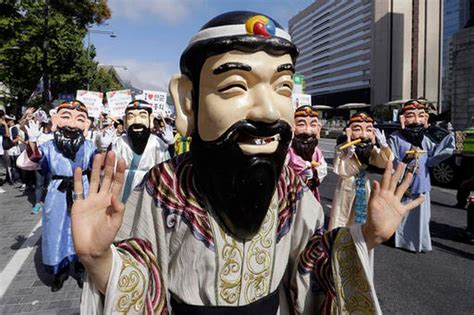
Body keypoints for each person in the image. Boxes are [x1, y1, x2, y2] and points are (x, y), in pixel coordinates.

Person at [73, 11, 423, 314]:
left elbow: (313, 264)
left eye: (282, 87)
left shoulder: (289, 188)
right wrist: (96, 257)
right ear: (187, 102)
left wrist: (367, 235)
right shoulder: (165, 187)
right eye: (235, 87)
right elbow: (137, 277)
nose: (269, 111)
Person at [22, 100, 96, 291]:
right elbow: (33, 161)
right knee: (56, 231)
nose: (71, 124)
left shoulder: (89, 146)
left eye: (79, 119)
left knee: (83, 231)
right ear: (55, 120)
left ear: (86, 125)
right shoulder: (49, 146)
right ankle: (60, 272)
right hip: (58, 193)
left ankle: (81, 269)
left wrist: (106, 147)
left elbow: (101, 166)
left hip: (83, 193)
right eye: (65, 117)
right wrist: (32, 141)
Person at [388, 99, 455, 252]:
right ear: (403, 118)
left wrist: (443, 141)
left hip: (423, 182)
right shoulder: (396, 138)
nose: (416, 120)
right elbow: (391, 162)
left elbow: (434, 158)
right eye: (411, 115)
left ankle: (421, 242)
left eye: (421, 116)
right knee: (402, 214)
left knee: (422, 217)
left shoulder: (426, 138)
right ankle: (401, 241)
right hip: (404, 185)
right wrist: (404, 163)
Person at [329, 112, 393, 230]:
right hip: (346, 185)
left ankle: (359, 242)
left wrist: (383, 146)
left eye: (368, 130)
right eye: (357, 129)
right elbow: (340, 169)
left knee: (362, 218)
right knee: (342, 216)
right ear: (349, 131)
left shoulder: (370, 148)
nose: (363, 135)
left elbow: (383, 162)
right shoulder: (342, 148)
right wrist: (348, 153)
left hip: (364, 183)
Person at [111, 100, 170, 203]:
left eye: (142, 116)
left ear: (150, 119)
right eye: (131, 117)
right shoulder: (119, 143)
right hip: (122, 190)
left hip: (148, 193)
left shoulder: (157, 143)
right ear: (125, 121)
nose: (136, 121)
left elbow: (164, 174)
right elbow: (111, 172)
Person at [287, 105, 327, 201]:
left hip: (310, 192)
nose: (308, 131)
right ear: (293, 127)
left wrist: (314, 173)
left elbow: (323, 167)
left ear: (318, 128)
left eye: (313, 125)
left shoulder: (316, 151)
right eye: (301, 125)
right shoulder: (288, 150)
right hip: (292, 193)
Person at [31, 119, 54, 214]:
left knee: (50, 184)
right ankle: (37, 204)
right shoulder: (38, 133)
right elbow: (33, 147)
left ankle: (49, 202)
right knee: (39, 184)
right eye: (50, 123)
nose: (51, 125)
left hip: (51, 164)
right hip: (39, 163)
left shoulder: (54, 134)